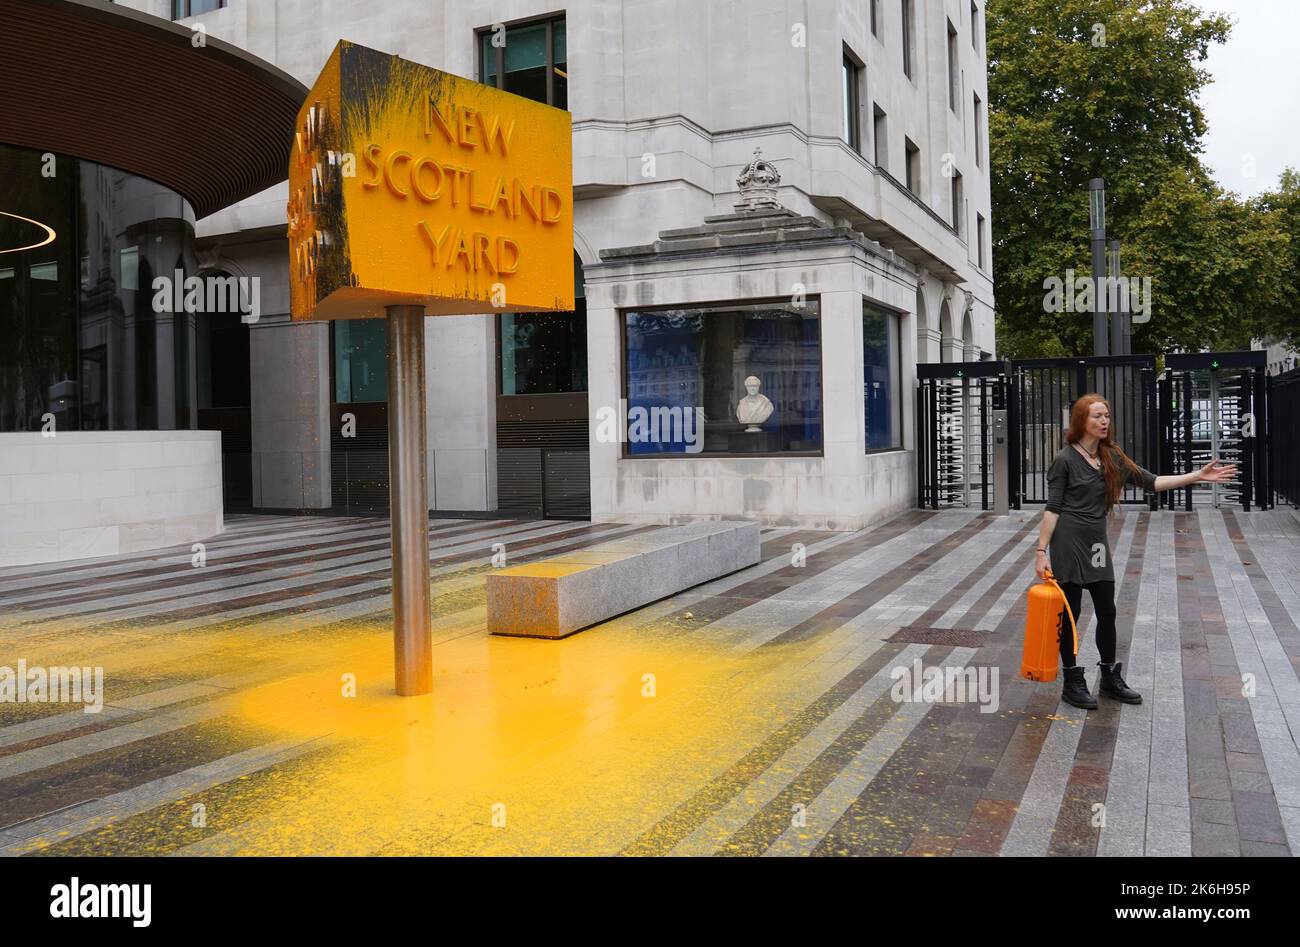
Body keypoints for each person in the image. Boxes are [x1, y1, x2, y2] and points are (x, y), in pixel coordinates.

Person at [1034, 393, 1237, 710]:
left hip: (1096, 544)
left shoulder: (1111, 456)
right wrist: (1041, 551)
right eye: (1097, 416)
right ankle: (1073, 681)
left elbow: (1151, 482)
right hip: (1068, 544)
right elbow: (1053, 508)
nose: (1104, 421)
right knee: (1070, 616)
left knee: (1107, 610)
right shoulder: (1065, 460)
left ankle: (1110, 678)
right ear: (1081, 421)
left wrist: (1197, 477)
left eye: (1107, 415)